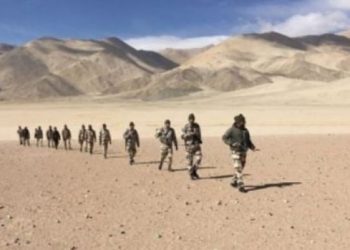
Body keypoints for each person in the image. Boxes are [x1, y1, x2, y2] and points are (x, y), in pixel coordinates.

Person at [222, 114, 258, 193]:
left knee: (241, 167)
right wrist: (231, 143)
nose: (244, 123)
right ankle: (241, 185)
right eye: (242, 121)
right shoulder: (231, 130)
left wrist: (253, 148)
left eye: (244, 121)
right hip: (235, 151)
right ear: (238, 122)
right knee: (238, 168)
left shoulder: (245, 131)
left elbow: (248, 141)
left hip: (243, 152)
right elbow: (224, 138)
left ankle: (234, 181)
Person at [181, 113, 202, 180]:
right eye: (190, 119)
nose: (191, 120)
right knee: (189, 161)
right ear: (188, 119)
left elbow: (199, 134)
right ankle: (191, 174)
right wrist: (188, 135)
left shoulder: (197, 126)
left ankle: (194, 171)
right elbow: (182, 136)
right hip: (189, 146)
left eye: (193, 119)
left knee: (199, 159)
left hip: (196, 145)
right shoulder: (186, 127)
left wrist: (199, 140)